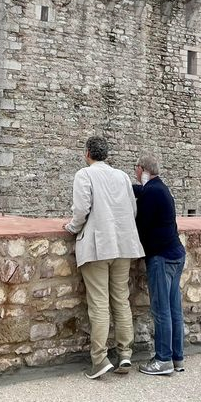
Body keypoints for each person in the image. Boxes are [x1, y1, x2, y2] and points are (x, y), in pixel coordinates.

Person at [65, 135, 145, 379]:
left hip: (98, 245)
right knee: (121, 300)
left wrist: (71, 227)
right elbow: (133, 209)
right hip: (123, 244)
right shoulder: (122, 176)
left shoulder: (84, 175)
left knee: (99, 303)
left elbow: (81, 210)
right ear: (106, 154)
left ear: (87, 153)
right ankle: (125, 354)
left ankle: (99, 359)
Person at [133, 152, 186, 375]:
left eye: (136, 168)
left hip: (161, 257)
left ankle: (163, 359)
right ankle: (177, 357)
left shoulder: (151, 193)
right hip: (175, 253)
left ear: (142, 169)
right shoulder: (161, 189)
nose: (135, 172)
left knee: (161, 309)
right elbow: (142, 192)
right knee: (174, 309)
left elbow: (141, 225)